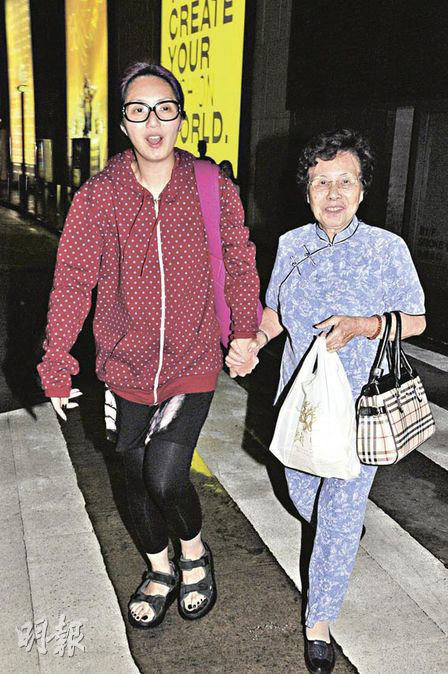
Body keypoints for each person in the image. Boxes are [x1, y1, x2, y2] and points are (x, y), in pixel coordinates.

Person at [38, 62, 260, 629]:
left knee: (164, 476)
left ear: (181, 118)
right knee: (132, 474)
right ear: (123, 123)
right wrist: (57, 358)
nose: (153, 122)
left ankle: (193, 555)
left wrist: (244, 329)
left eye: (164, 109)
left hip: (192, 358)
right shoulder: (99, 196)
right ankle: (159, 568)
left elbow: (239, 260)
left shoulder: (211, 186)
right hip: (124, 366)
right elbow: (72, 280)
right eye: (138, 111)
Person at [226, 129, 426, 673]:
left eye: (345, 181)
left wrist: (365, 325)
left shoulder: (386, 249)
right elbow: (274, 313)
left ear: (362, 189)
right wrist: (254, 342)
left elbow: (415, 320)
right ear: (307, 190)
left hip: (360, 409)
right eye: (321, 183)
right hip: (301, 405)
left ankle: (319, 621)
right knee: (301, 494)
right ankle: (339, 529)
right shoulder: (292, 245)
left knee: (338, 514)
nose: (333, 194)